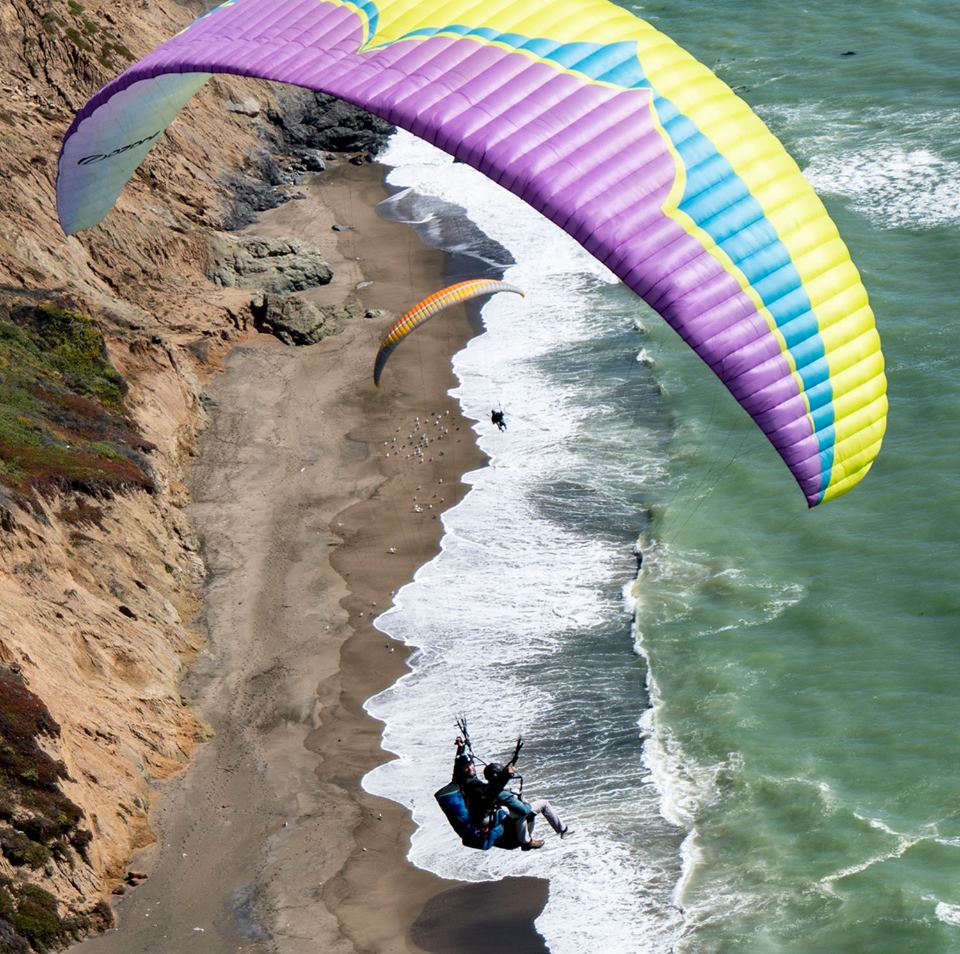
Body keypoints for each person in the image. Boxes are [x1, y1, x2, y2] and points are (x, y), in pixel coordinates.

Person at [483, 762, 570, 850]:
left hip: (498, 829)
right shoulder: (503, 795)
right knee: (542, 804)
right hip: (511, 835)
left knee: (518, 807)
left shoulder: (484, 789)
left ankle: (526, 839)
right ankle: (528, 841)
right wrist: (523, 801)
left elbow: (496, 787)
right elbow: (524, 810)